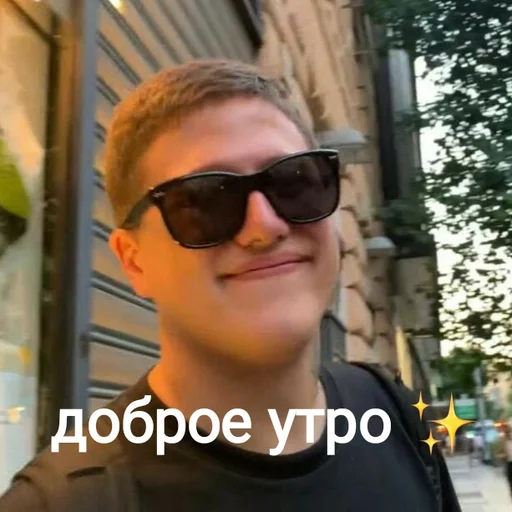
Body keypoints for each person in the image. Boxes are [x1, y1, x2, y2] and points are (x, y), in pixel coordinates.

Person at [0, 59, 461, 511]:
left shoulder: (392, 412)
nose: (265, 225)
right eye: (206, 200)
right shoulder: (59, 503)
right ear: (134, 261)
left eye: (294, 182)